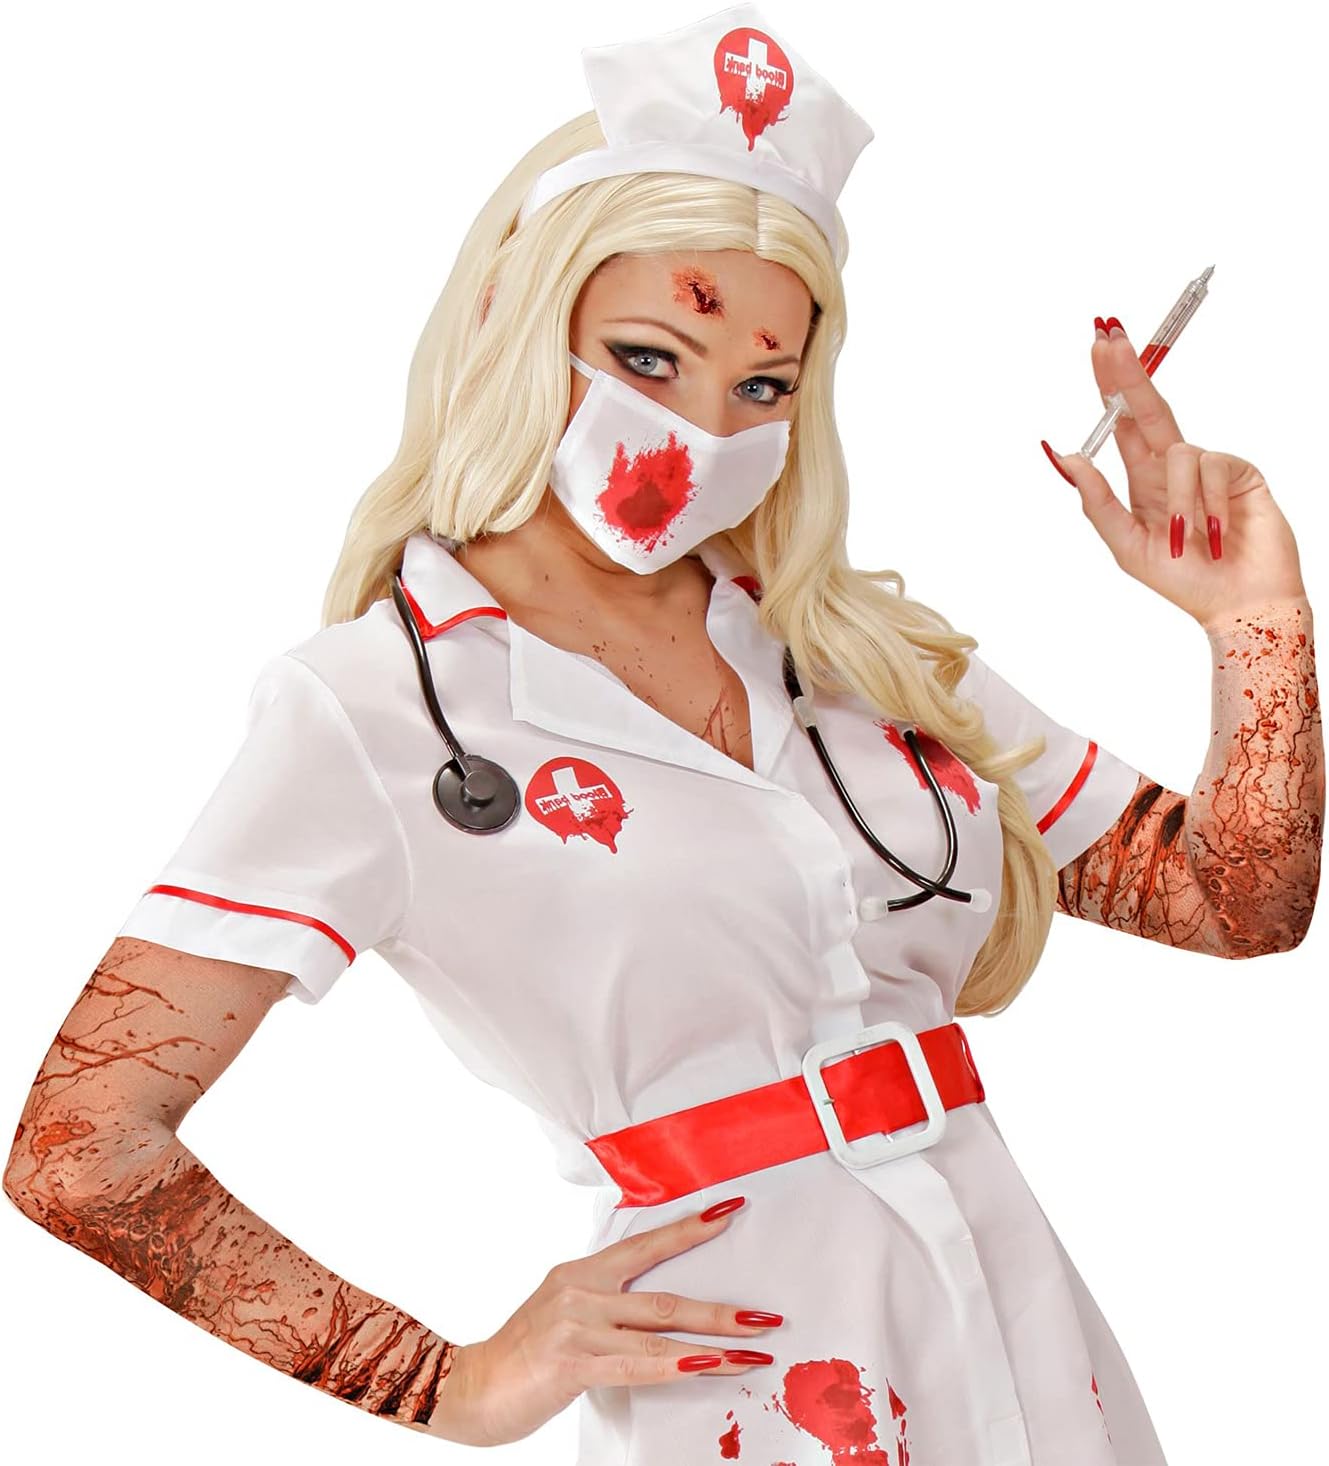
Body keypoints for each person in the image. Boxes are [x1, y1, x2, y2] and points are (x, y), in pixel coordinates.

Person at [5, 5, 1322, 1462]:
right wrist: (447, 1381)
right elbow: (81, 1145)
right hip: (751, 1378)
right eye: (647, 357)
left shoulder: (853, 650)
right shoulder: (375, 708)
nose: (700, 432)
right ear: (518, 315)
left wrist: (1253, 617)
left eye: (760, 385)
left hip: (1025, 1334)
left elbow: (1232, 901)